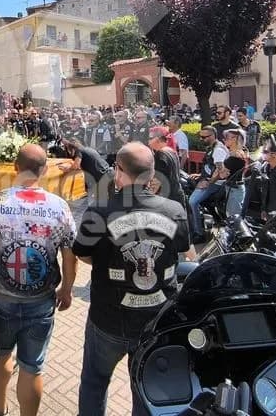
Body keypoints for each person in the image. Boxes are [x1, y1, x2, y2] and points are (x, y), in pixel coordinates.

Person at [73, 142, 190, 416]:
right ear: (152, 174)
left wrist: (105, 259)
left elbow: (82, 253)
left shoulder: (99, 210)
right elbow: (181, 250)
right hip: (154, 319)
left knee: (94, 382)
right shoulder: (174, 210)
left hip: (108, 319)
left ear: (118, 172)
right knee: (146, 388)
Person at [0, 144, 77, 416]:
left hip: (1, 298)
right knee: (32, 365)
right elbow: (69, 256)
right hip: (41, 299)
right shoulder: (59, 207)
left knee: (2, 353)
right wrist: (66, 290)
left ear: (15, 167)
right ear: (43, 170)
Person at [187, 127, 228, 243]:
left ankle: (199, 233)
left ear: (213, 136)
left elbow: (220, 171)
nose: (202, 139)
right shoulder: (213, 147)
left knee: (192, 202)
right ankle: (214, 216)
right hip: (209, 179)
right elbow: (211, 167)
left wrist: (208, 182)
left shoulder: (218, 150)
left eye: (205, 137)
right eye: (201, 136)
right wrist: (200, 175)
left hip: (216, 183)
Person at [147, 127, 186, 207]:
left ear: (158, 139)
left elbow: (156, 182)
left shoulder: (160, 155)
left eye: (150, 138)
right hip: (177, 195)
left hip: (166, 199)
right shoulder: (171, 151)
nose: (148, 141)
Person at [220, 129, 248, 218]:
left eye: (226, 138)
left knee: (234, 218)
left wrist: (220, 167)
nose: (224, 140)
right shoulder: (240, 152)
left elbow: (222, 175)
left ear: (234, 139)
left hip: (234, 189)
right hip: (235, 187)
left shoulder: (235, 156)